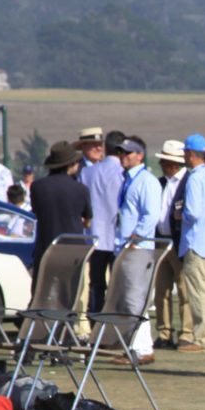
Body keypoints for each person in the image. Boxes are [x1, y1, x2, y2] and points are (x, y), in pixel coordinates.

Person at [113, 135, 163, 364]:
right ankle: (135, 346)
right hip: (127, 246)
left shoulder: (146, 181)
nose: (123, 157)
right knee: (129, 299)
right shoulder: (129, 179)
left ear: (139, 155)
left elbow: (151, 214)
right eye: (121, 153)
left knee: (135, 300)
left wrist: (136, 238)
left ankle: (141, 349)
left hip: (137, 248)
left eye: (127, 153)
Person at [177, 133, 205, 354]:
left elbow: (192, 212)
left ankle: (204, 338)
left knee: (198, 292)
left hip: (195, 241)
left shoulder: (194, 178)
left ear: (190, 154)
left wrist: (180, 213)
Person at [29, 140, 92, 278]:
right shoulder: (80, 189)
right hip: (73, 250)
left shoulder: (37, 187)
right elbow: (88, 221)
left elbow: (36, 212)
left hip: (46, 247)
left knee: (42, 291)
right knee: (70, 293)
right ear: (70, 165)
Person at [152, 139, 189, 349]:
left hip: (178, 243)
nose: (162, 165)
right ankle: (164, 333)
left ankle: (186, 333)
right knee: (161, 291)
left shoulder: (187, 183)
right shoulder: (161, 183)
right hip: (161, 241)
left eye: (165, 161)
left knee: (184, 291)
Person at [83, 130, 125, 313]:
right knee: (118, 285)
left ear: (106, 148)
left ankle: (94, 323)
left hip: (95, 235)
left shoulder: (88, 172)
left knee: (96, 284)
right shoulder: (124, 173)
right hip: (117, 236)